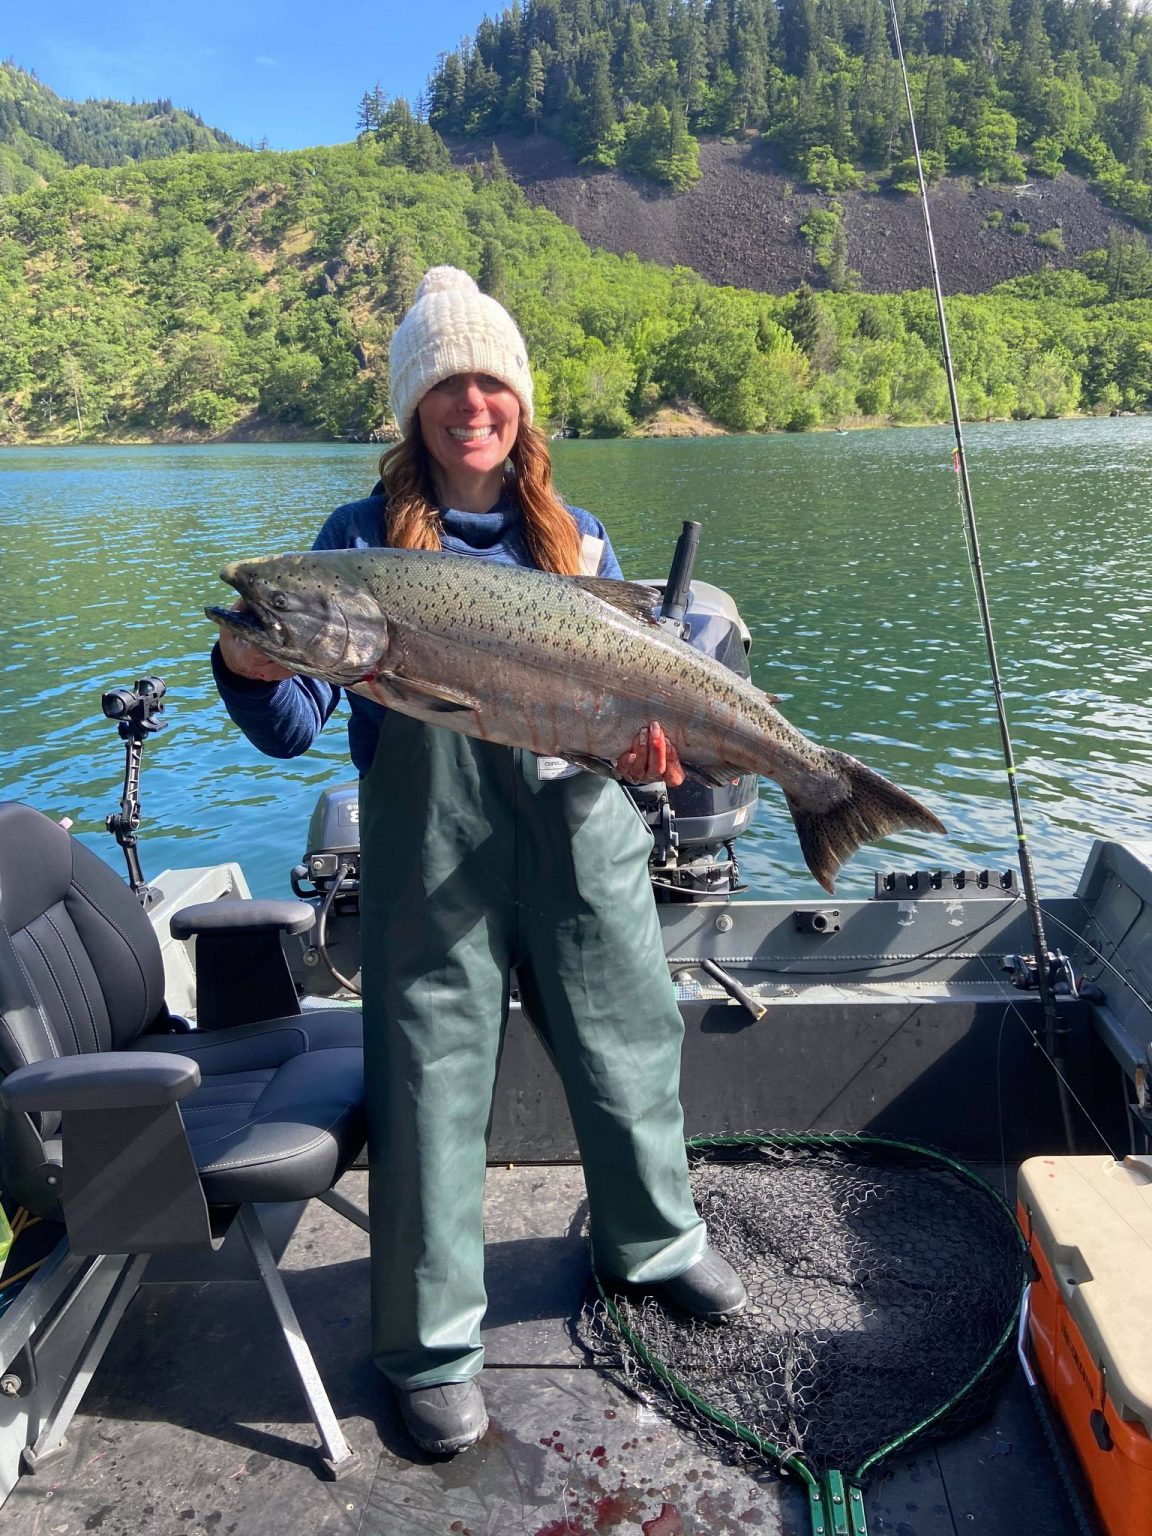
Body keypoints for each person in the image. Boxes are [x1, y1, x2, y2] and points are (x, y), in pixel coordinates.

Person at [212, 266, 746, 1457]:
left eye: (491, 382)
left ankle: (653, 1245)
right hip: (427, 854)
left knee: (626, 1043)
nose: (472, 404)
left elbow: (634, 737)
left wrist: (655, 757)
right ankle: (432, 1349)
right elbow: (298, 720)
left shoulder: (579, 539)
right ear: (415, 407)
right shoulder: (354, 544)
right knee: (429, 1087)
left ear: (521, 404)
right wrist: (248, 668)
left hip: (577, 836)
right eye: (447, 383)